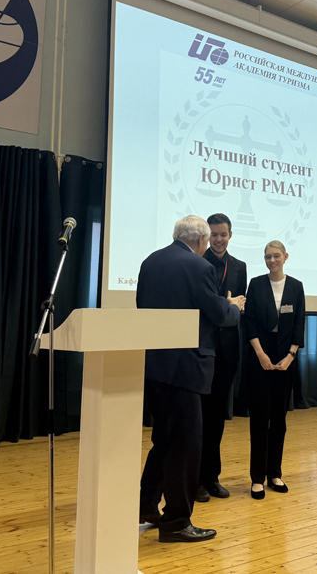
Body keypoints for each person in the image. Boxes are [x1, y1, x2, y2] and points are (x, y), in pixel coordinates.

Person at [137, 215, 245, 543]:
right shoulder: (200, 266)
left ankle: (145, 505)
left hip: (155, 366)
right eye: (208, 239)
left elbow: (142, 306)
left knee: (164, 439)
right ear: (200, 239)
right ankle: (176, 522)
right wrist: (233, 306)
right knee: (185, 446)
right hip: (186, 368)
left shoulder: (151, 261)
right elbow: (218, 313)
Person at [243, 240, 305, 499]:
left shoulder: (296, 286)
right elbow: (249, 322)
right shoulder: (256, 284)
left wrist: (291, 355)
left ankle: (274, 474)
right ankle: (257, 478)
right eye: (267, 256)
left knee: (279, 419)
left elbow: (299, 323)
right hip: (259, 357)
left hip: (285, 360)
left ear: (285, 257)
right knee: (259, 419)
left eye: (276, 256)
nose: (272, 260)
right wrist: (260, 354)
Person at [197, 213, 247, 502]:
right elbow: (207, 306)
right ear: (207, 236)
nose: (218, 239)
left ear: (230, 235)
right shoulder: (196, 263)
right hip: (200, 349)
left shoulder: (239, 267)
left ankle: (211, 477)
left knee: (217, 418)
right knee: (198, 418)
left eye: (223, 234)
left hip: (227, 352)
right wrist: (225, 305)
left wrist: (229, 307)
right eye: (214, 234)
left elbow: (239, 307)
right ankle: (195, 480)